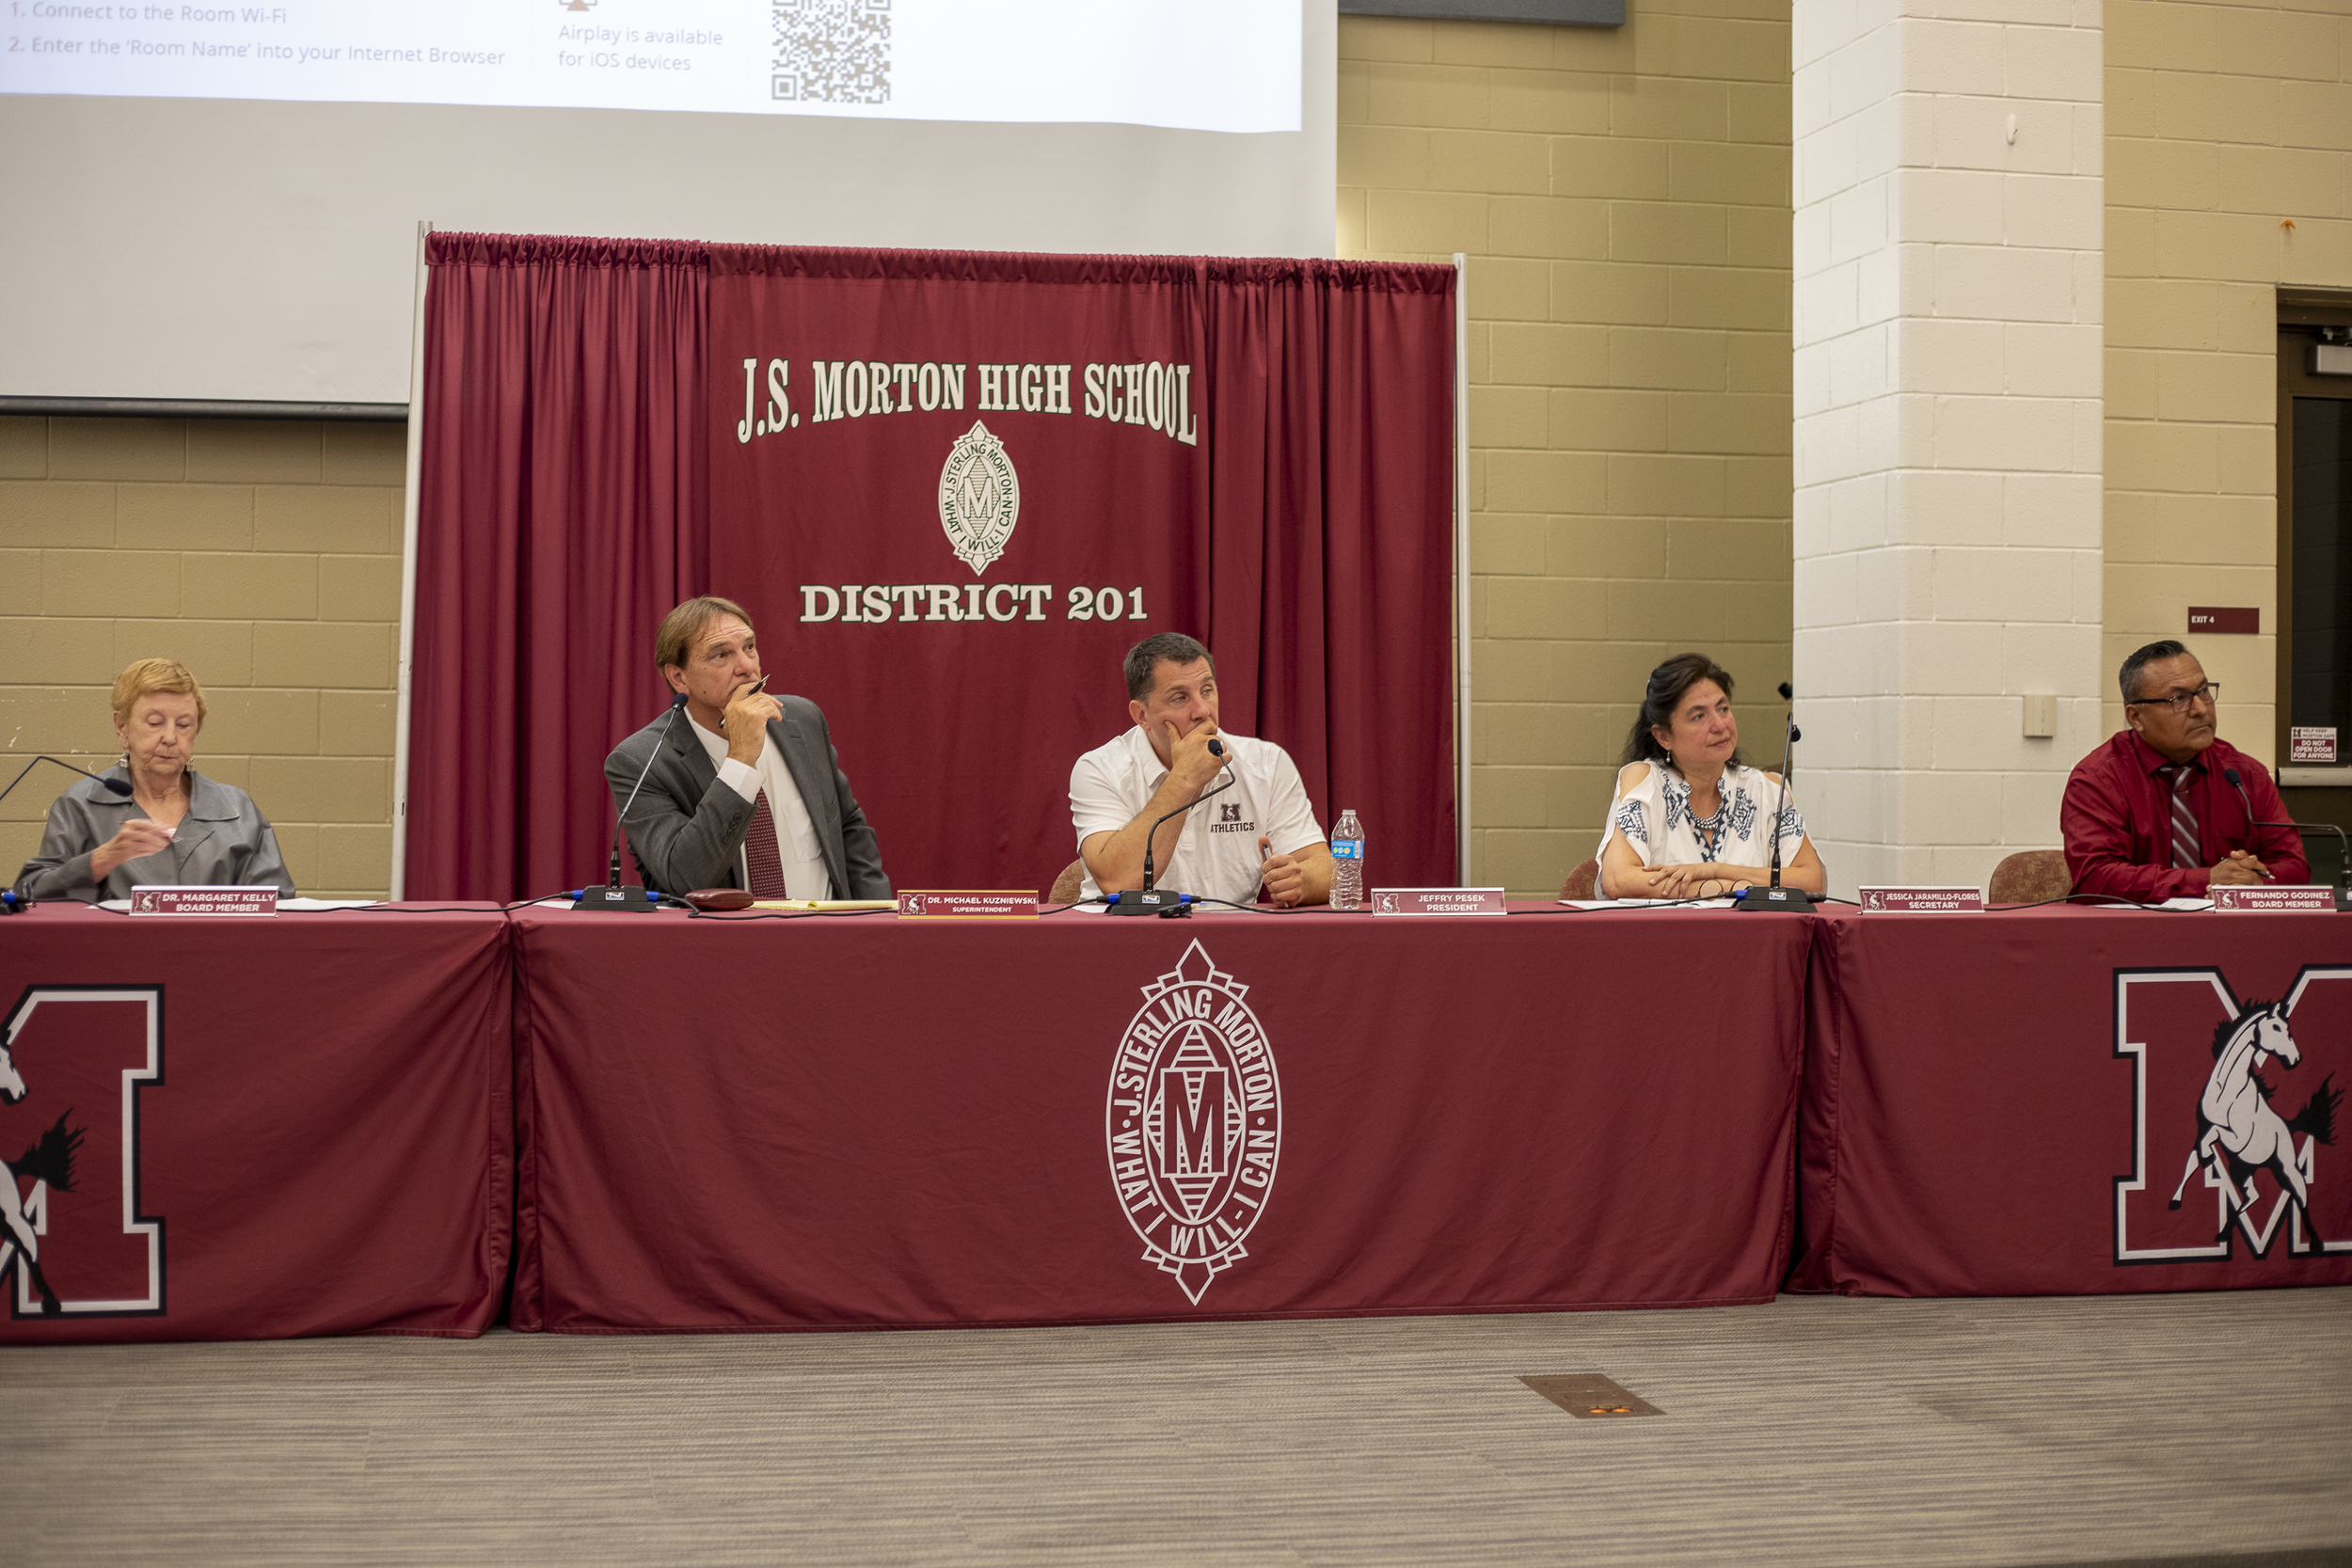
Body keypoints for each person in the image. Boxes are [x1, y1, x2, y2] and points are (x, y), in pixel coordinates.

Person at [604, 595, 888, 899]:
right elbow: (687, 878)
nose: (746, 666)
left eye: (749, 647)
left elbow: (847, 829)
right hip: (727, 945)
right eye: (721, 655)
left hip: (826, 940)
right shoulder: (640, 762)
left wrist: (879, 924)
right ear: (678, 677)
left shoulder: (802, 721)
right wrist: (740, 760)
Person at [1070, 632, 1331, 907]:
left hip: (1227, 941)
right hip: (1124, 939)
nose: (1202, 711)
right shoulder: (1098, 769)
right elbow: (1120, 881)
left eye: (1207, 690)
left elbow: (1323, 868)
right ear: (1142, 716)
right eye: (1180, 698)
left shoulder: (1266, 763)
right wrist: (1185, 778)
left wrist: (1300, 881)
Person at [15, 657, 295, 904]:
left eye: (184, 725)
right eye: (154, 722)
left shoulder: (237, 809)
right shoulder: (79, 806)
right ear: (121, 727)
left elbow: (279, 902)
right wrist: (102, 859)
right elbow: (32, 894)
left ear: (195, 734)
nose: (171, 737)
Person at [2060, 640, 2305, 901]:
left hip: (2230, 934)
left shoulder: (2245, 776)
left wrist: (2253, 880)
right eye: (2179, 699)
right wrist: (2207, 880)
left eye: (2203, 692)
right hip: (2133, 935)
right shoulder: (2097, 780)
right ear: (2136, 717)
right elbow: (2096, 878)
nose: (2200, 709)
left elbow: (2294, 866)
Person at [1596, 653, 1824, 900]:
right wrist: (1718, 889)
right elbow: (1619, 880)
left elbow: (1812, 882)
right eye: (1698, 716)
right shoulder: (1645, 781)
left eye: (1723, 709)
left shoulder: (1768, 790)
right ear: (1664, 736)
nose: (1719, 725)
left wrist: (1715, 870)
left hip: (1753, 938)